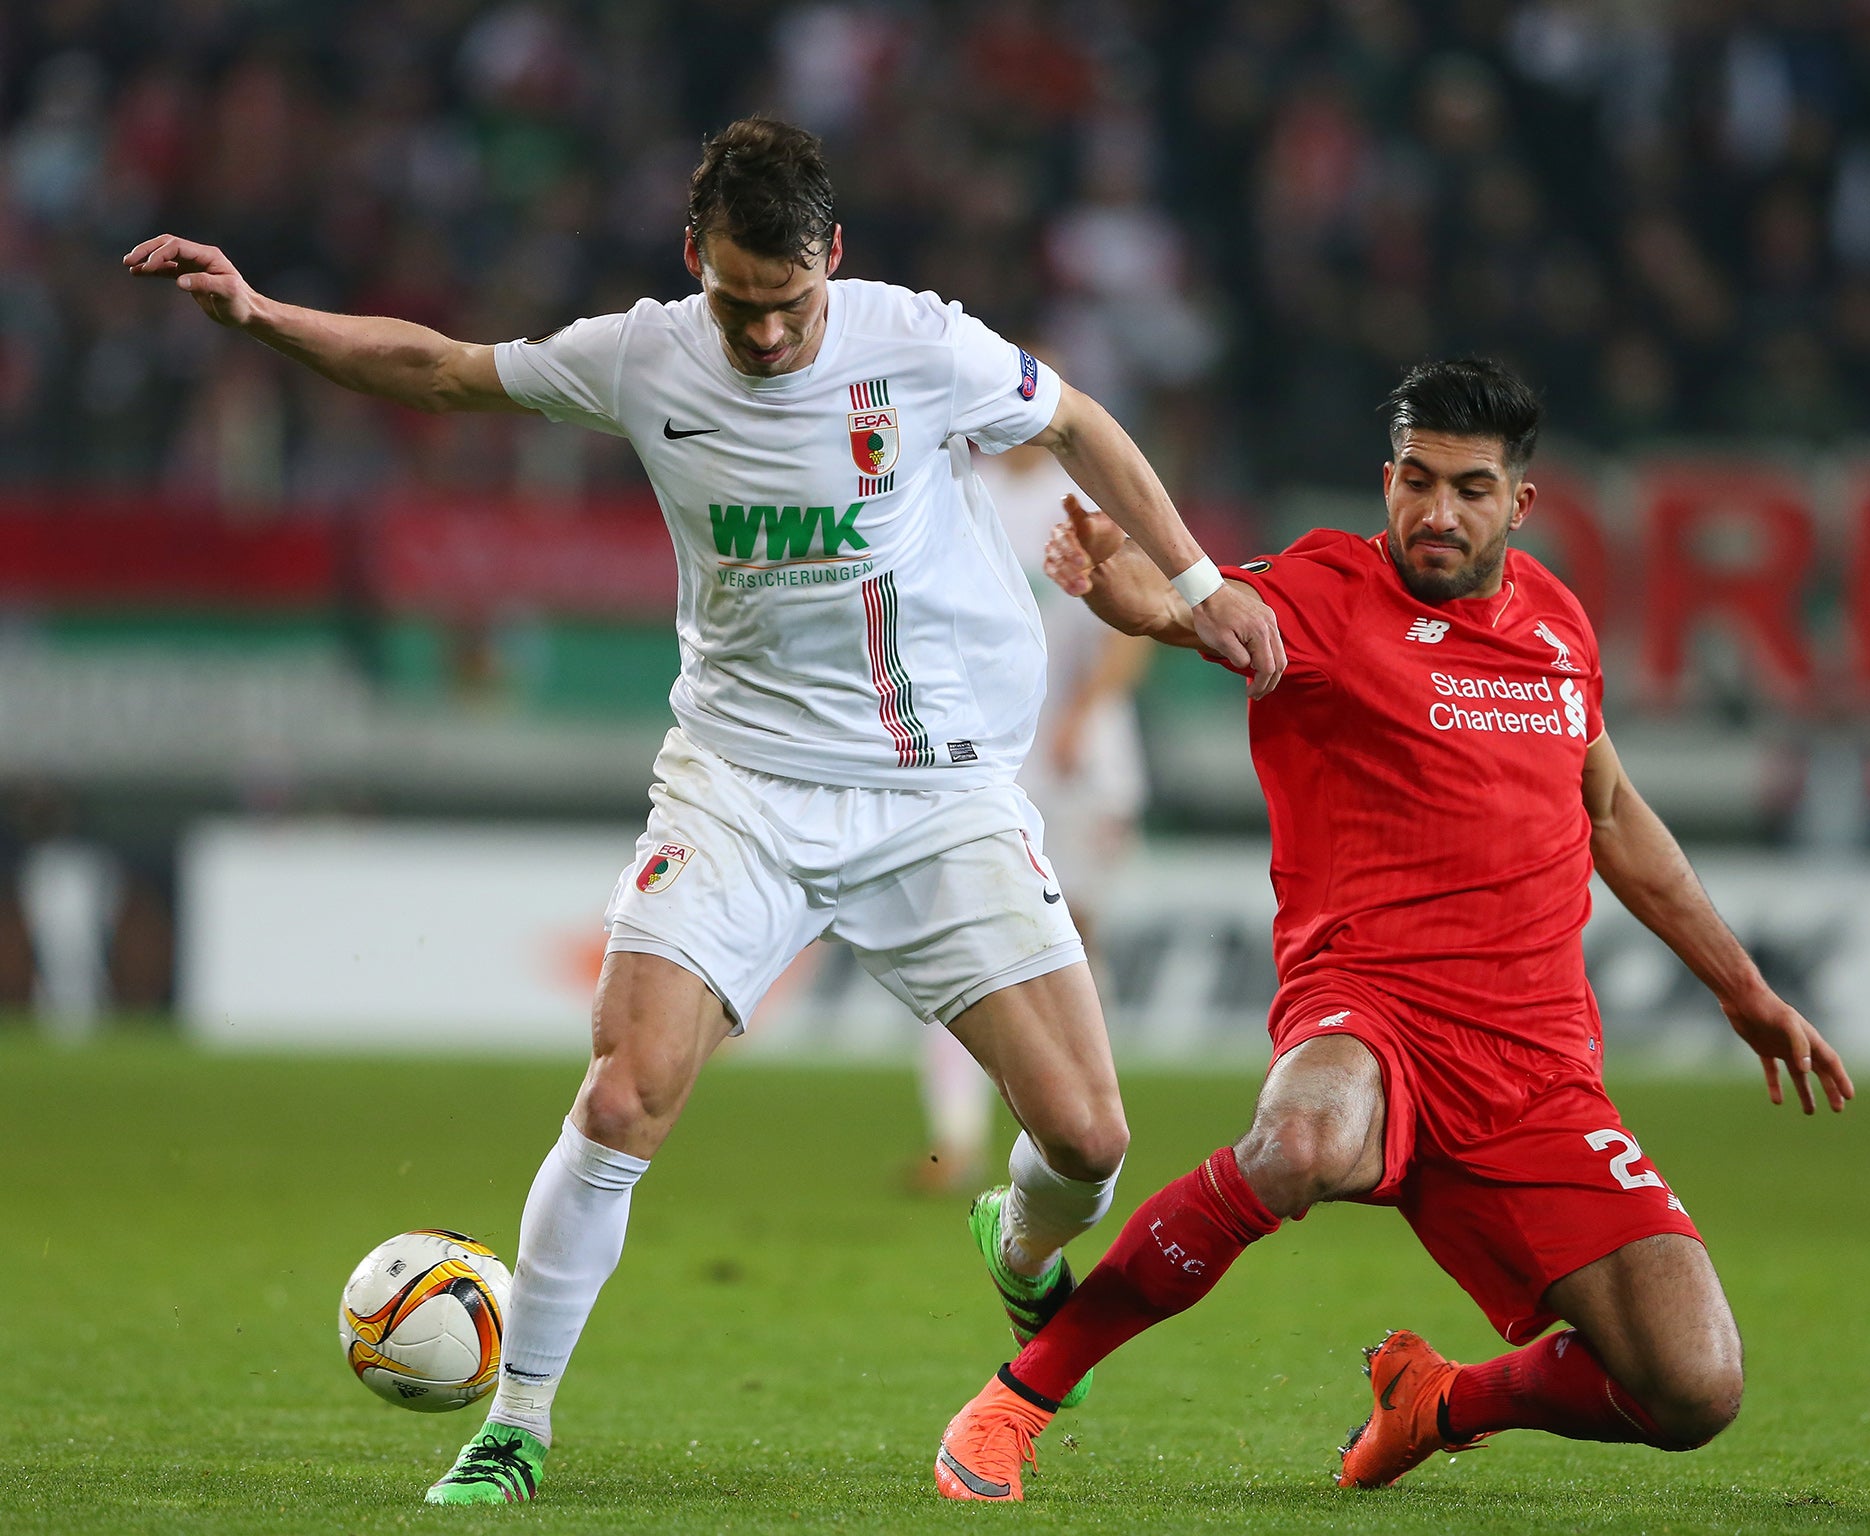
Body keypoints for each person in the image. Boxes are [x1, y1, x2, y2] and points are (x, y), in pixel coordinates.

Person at [125, 116, 1285, 1506]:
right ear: (696, 263)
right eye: (739, 302)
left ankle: (1022, 1252)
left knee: (1092, 1142)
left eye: (790, 303)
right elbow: (441, 372)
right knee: (624, 1094)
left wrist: (1202, 581)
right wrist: (258, 315)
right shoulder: (644, 352)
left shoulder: (916, 341)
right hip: (739, 788)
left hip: (938, 794)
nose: (769, 335)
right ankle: (516, 1422)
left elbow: (1081, 422)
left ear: (832, 262)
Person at [932, 357, 1854, 1502]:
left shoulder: (1558, 629)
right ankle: (1020, 1395)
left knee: (1692, 1388)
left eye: (1469, 488)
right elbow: (1203, 610)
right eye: (1415, 481)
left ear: (1518, 503)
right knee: (1302, 1141)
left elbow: (1610, 813)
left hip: (1534, 1070)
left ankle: (1440, 1403)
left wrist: (1742, 989)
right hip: (1368, 1011)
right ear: (1385, 480)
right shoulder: (1325, 588)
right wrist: (1132, 595)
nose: (1435, 511)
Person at [911, 437, 1152, 1195]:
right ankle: (958, 1141)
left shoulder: (1081, 496)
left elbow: (1132, 623)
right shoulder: (945, 487)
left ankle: (1080, 1130)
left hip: (1082, 759)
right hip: (983, 755)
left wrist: (1085, 713)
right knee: (958, 939)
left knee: (1072, 939)